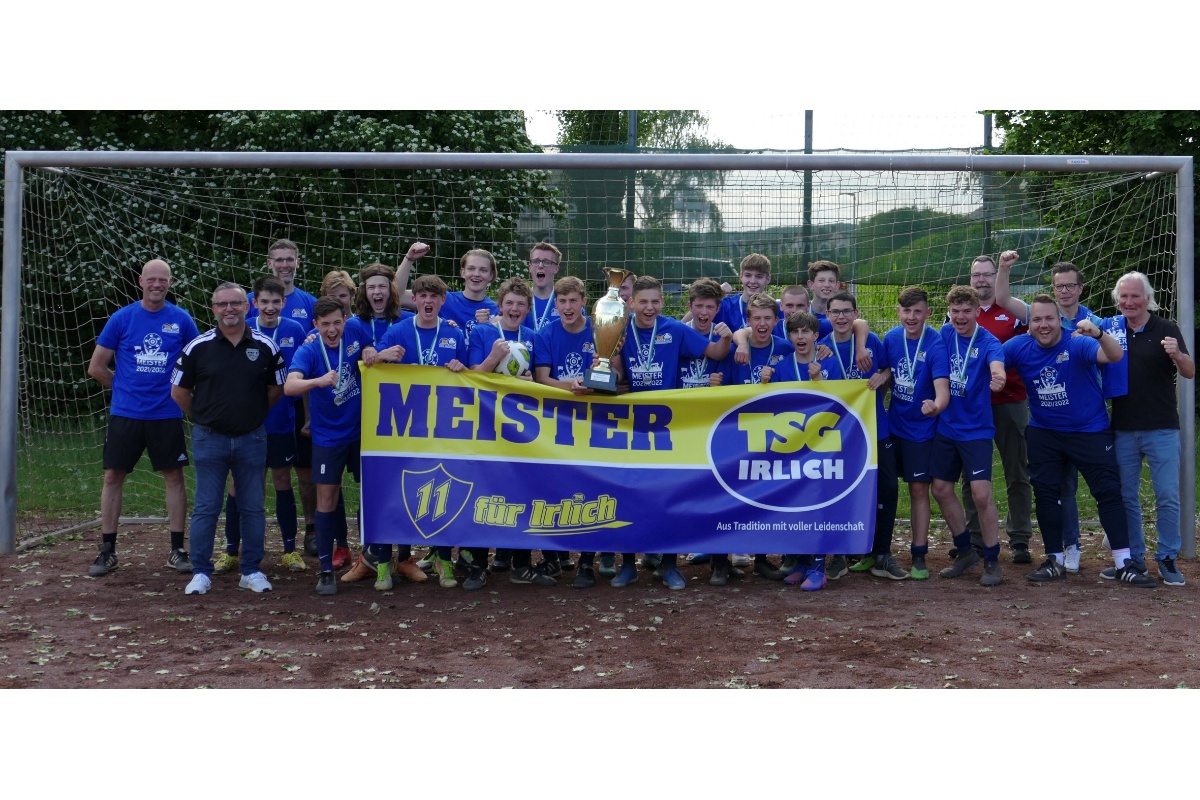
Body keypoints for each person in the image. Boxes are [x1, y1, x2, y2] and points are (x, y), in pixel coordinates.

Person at [1002, 295, 1154, 587]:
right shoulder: (1018, 346)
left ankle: (1124, 563)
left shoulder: (1078, 342)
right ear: (1029, 324)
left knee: (1109, 493)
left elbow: (1114, 356)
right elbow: (993, 359)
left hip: (1089, 431)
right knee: (1046, 495)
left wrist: (1098, 333)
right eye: (1037, 319)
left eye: (1049, 318)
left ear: (1060, 320)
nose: (1043, 325)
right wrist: (996, 372)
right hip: (1044, 432)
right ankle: (1054, 560)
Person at [602, 275, 732, 591]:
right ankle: (628, 565)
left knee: (668, 496)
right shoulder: (617, 330)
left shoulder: (674, 329)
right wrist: (608, 373)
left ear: (662, 302)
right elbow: (616, 367)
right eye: (642, 301)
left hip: (668, 426)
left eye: (654, 301)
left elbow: (715, 353)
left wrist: (729, 338)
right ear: (631, 302)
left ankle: (670, 565)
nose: (649, 307)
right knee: (629, 494)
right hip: (631, 424)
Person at [86, 259, 200, 577]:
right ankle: (107, 550)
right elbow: (96, 367)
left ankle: (177, 550)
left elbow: (197, 361)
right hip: (127, 414)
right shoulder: (122, 318)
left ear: (170, 283)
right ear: (141, 282)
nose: (156, 284)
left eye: (162, 280)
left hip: (166, 414)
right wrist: (124, 389)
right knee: (113, 477)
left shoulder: (181, 320)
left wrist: (182, 393)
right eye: (151, 279)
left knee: (174, 478)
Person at [994, 253, 1106, 572]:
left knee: (1105, 484)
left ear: (1081, 289)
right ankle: (1069, 546)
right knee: (1061, 487)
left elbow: (1112, 353)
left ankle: (1119, 540)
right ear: (1053, 290)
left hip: (1087, 416)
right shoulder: (1040, 315)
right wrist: (1004, 267)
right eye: (1060, 286)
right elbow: (1002, 298)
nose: (1065, 291)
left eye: (1071, 285)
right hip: (1049, 420)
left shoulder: (1093, 322)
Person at [172, 282, 285, 595]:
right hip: (210, 439)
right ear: (214, 310)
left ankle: (251, 570)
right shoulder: (198, 347)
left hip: (252, 439)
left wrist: (252, 414)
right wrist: (204, 417)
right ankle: (200, 572)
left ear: (247, 307)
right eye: (222, 305)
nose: (229, 310)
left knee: (252, 507)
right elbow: (179, 392)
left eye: (235, 303)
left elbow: (276, 389)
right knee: (207, 507)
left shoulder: (266, 346)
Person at [366, 275, 471, 589]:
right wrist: (380, 356)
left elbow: (470, 379)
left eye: (433, 297)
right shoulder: (398, 331)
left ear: (442, 301)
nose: (427, 301)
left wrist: (461, 369)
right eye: (422, 295)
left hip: (441, 431)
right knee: (391, 493)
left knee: (443, 491)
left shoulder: (453, 335)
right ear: (415, 299)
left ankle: (443, 559)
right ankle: (384, 563)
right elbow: (370, 362)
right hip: (400, 430)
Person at [1104, 271, 1194, 586]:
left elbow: (1189, 371)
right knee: (1125, 496)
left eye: (1135, 296)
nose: (1129, 302)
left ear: (1147, 299)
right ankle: (1133, 559)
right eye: (1124, 297)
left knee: (1167, 495)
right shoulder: (1110, 330)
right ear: (1118, 300)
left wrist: (1178, 354)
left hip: (1162, 428)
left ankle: (1168, 557)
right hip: (1123, 427)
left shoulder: (1166, 328)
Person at [338, 264, 426, 586]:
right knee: (370, 489)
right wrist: (370, 357)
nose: (377, 292)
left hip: (404, 421)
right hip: (364, 420)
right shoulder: (354, 325)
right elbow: (347, 362)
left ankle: (403, 557)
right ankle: (370, 557)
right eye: (371, 287)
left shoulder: (407, 323)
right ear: (363, 291)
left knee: (403, 487)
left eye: (383, 286)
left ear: (392, 290)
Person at [215, 276, 309, 576]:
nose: (270, 307)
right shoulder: (243, 329)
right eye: (264, 302)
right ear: (254, 303)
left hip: (281, 420)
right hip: (246, 423)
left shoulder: (295, 330)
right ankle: (231, 550)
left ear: (284, 303)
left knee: (282, 480)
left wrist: (308, 418)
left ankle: (289, 550)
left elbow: (302, 376)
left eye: (276, 302)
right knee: (239, 484)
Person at [813, 291, 905, 583]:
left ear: (855, 314)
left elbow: (889, 369)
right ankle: (838, 554)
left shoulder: (870, 342)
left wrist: (884, 375)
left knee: (888, 489)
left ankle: (881, 554)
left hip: (876, 428)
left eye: (846, 311)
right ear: (827, 316)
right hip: (838, 437)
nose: (841, 317)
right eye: (835, 312)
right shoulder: (821, 351)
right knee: (840, 492)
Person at [284, 297, 371, 596]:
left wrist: (372, 350)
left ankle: (372, 559)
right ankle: (324, 571)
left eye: (336, 322)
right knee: (326, 498)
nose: (332, 330)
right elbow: (289, 385)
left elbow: (373, 344)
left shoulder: (356, 331)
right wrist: (317, 381)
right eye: (325, 325)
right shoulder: (309, 348)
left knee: (369, 493)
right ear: (315, 325)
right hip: (328, 437)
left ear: (344, 319)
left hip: (362, 432)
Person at [955, 255, 1034, 564]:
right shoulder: (961, 316)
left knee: (1017, 472)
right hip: (972, 408)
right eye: (977, 276)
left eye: (987, 275)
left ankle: (1019, 538)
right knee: (970, 476)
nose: (982, 280)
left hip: (1011, 402)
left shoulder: (1012, 311)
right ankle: (974, 538)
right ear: (971, 279)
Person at [928, 286, 1007, 587]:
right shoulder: (943, 335)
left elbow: (996, 365)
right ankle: (965, 551)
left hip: (976, 430)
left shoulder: (989, 341)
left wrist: (997, 376)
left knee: (981, 494)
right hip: (946, 426)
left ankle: (992, 558)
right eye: (955, 311)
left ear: (977, 312)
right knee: (941, 489)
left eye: (966, 311)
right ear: (949, 312)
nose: (960, 317)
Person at [246, 239, 320, 556]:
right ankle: (252, 536)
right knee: (255, 475)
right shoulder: (248, 304)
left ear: (298, 263)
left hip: (297, 405)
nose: (285, 264)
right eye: (279, 259)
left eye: (290, 259)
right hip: (257, 409)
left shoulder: (310, 302)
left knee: (304, 473)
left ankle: (312, 530)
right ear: (269, 263)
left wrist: (310, 412)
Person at [531, 276, 599, 585]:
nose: (568, 307)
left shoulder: (601, 331)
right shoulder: (545, 334)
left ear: (584, 300)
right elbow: (541, 378)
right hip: (555, 424)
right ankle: (553, 558)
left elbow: (617, 374)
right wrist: (569, 387)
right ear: (555, 304)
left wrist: (597, 380)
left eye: (573, 300)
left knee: (590, 489)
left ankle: (586, 562)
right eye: (562, 301)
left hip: (593, 422)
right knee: (551, 489)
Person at [880, 286, 949, 580]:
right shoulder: (891, 338)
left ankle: (919, 553)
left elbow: (942, 389)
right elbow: (884, 375)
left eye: (917, 311)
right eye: (906, 311)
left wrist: (936, 406)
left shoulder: (935, 344)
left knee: (918, 489)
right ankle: (877, 551)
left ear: (927, 313)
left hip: (921, 430)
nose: (911, 317)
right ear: (898, 312)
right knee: (883, 487)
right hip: (893, 426)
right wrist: (883, 376)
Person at [524, 242, 562, 332]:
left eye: (547, 262)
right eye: (536, 261)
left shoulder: (566, 301)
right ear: (530, 267)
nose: (540, 266)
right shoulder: (519, 300)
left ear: (556, 269)